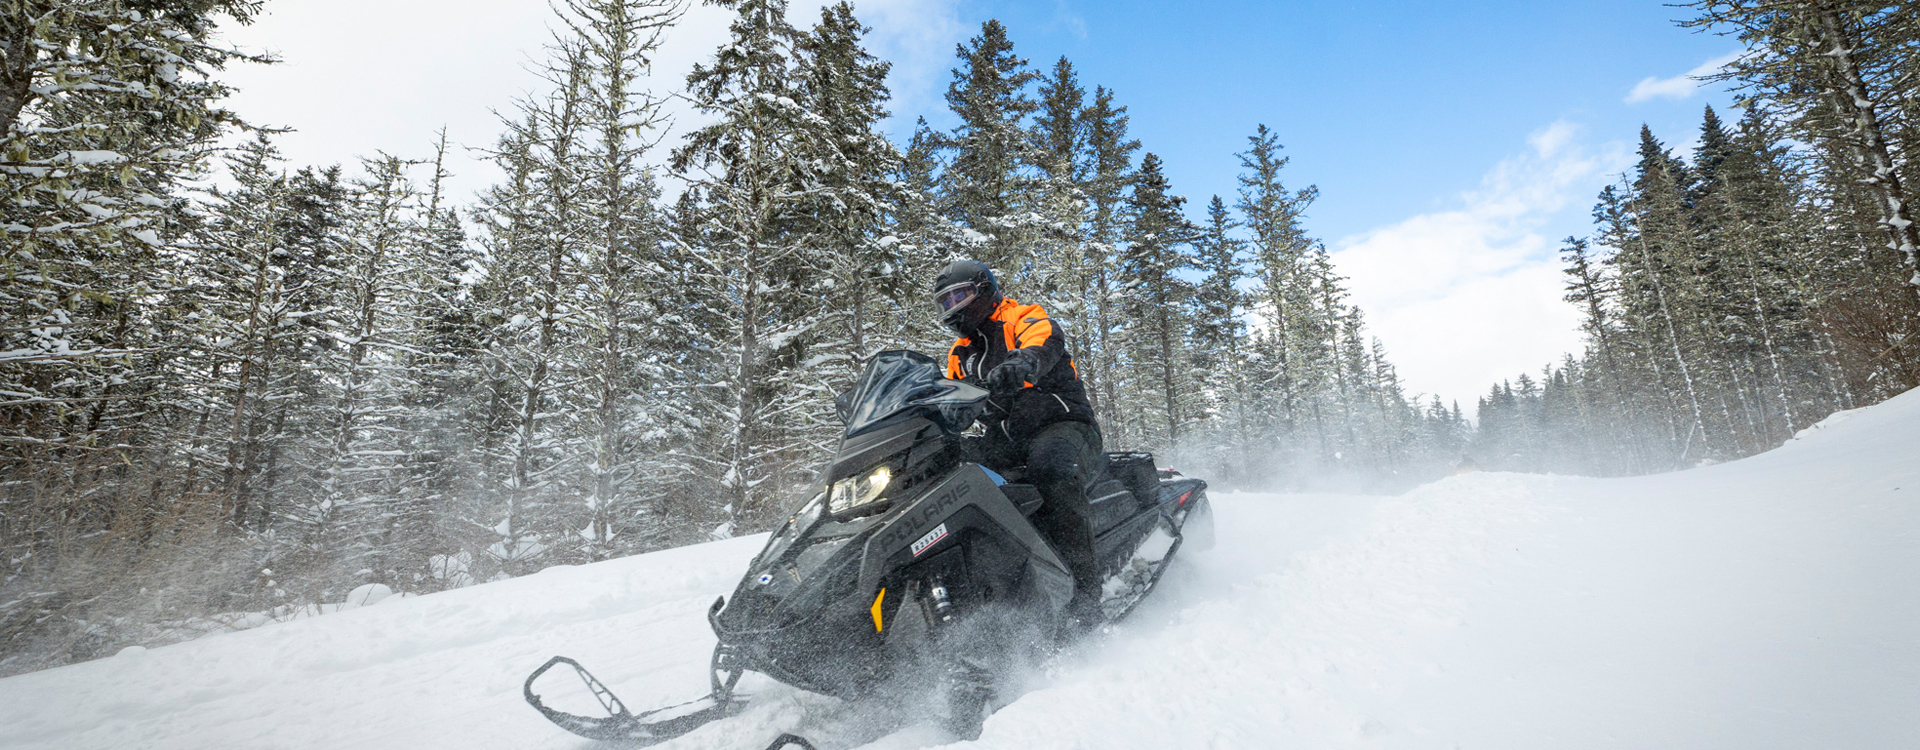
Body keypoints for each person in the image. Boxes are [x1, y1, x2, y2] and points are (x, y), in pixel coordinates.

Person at [931, 259, 1104, 624]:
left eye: (959, 297)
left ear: (984, 289)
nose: (953, 308)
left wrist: (1023, 362)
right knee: (945, 475)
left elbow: (1043, 340)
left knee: (1051, 470)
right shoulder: (959, 353)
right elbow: (950, 398)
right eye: (945, 302)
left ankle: (1086, 599)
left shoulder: (1021, 316)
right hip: (1005, 441)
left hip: (1062, 424)